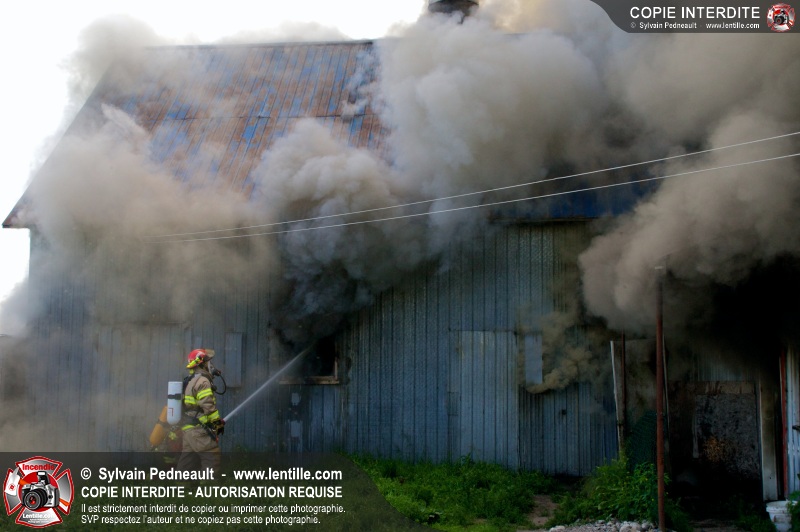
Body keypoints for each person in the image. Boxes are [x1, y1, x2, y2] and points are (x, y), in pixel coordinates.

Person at [176, 348, 225, 474]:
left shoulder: (190, 379)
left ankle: (181, 485)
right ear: (202, 364)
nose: (211, 365)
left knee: (187, 461)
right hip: (198, 429)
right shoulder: (203, 381)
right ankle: (208, 485)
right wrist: (217, 423)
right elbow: (208, 406)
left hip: (188, 428)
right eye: (208, 362)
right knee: (211, 457)